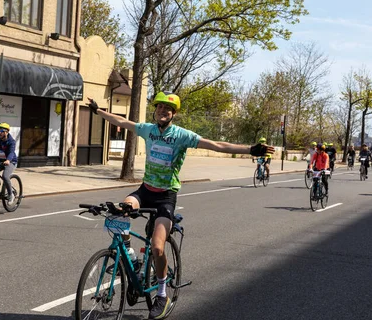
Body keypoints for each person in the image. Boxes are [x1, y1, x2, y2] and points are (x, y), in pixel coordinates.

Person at [87, 92, 274, 319]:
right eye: (160, 107)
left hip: (166, 196)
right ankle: (130, 255)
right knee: (122, 208)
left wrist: (249, 149)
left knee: (157, 247)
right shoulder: (148, 130)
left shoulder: (181, 135)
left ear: (173, 114)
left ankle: (163, 295)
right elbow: (123, 122)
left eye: (168, 109)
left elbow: (216, 145)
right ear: (155, 110)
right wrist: (98, 111)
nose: (163, 111)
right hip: (145, 190)